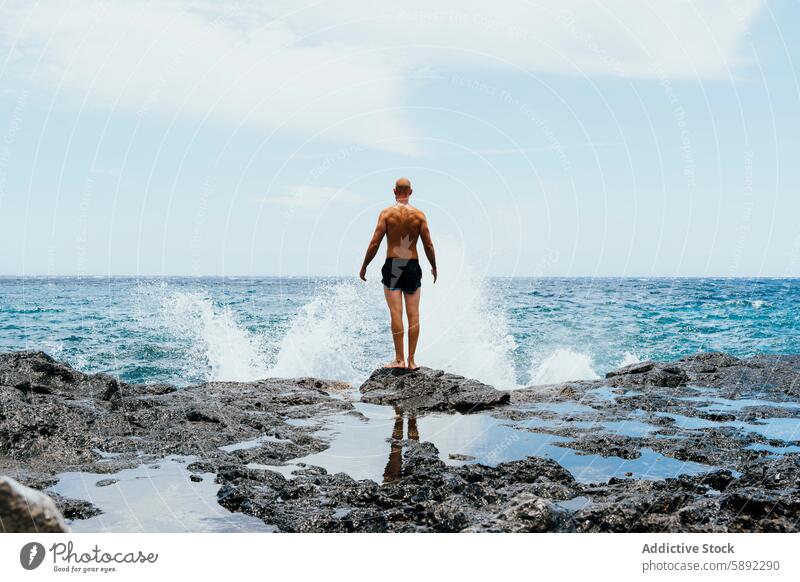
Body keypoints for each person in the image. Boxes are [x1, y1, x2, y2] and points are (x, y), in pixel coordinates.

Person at [359, 177, 437, 370]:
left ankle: (399, 359)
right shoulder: (419, 215)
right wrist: (434, 266)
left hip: (394, 264)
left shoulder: (386, 214)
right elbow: (428, 244)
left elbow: (374, 243)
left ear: (394, 191)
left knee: (396, 313)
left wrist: (364, 266)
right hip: (412, 265)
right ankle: (411, 361)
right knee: (414, 315)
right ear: (410, 192)